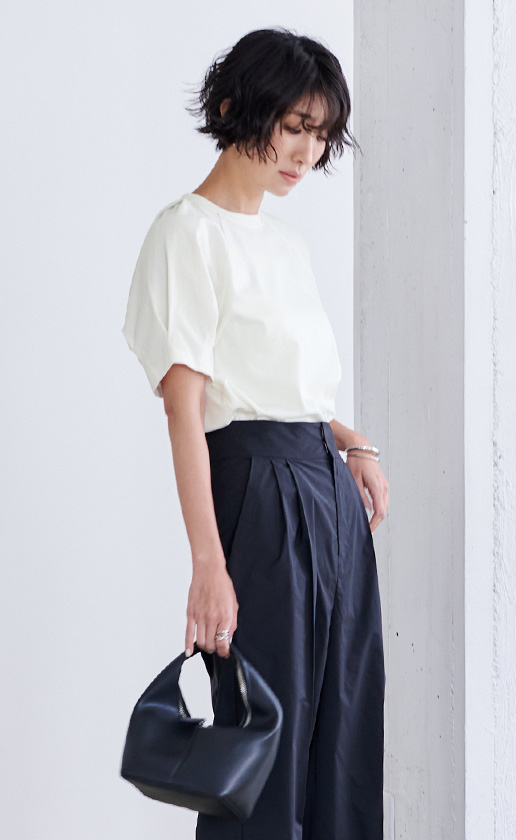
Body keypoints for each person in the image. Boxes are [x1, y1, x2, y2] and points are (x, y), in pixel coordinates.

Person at [121, 27, 388, 840]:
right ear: (237, 108)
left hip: (326, 495)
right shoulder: (186, 233)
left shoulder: (285, 243)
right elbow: (187, 409)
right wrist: (208, 565)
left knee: (343, 734)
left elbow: (277, 380)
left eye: (321, 133)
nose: (307, 152)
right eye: (293, 126)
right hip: (260, 501)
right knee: (264, 755)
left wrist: (348, 440)